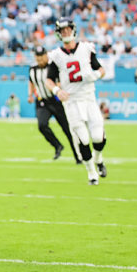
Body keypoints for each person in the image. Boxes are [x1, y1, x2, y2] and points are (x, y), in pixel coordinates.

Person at [45, 17, 107, 185]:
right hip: (71, 101)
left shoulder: (87, 48)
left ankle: (99, 159)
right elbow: (48, 80)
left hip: (88, 98)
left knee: (97, 137)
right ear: (59, 34)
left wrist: (95, 75)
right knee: (83, 140)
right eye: (62, 30)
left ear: (73, 30)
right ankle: (91, 172)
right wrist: (57, 90)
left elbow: (101, 69)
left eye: (68, 29)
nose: (66, 33)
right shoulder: (56, 55)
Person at [28, 46, 80, 162]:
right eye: (38, 57)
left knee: (67, 129)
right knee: (42, 125)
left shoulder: (53, 67)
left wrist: (58, 89)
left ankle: (78, 155)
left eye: (42, 57)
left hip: (56, 100)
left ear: (46, 56)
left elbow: (62, 81)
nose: (40, 60)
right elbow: (31, 81)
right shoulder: (32, 69)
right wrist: (30, 95)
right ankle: (57, 145)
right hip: (42, 101)